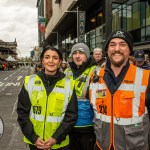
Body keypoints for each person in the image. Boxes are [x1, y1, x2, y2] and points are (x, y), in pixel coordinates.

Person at [89, 29, 150, 150]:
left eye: (122, 44)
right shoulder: (95, 77)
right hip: (102, 146)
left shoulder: (145, 77)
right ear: (107, 50)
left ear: (129, 50)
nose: (117, 49)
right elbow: (94, 110)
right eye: (112, 45)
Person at [17, 45, 78, 150]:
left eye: (55, 58)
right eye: (47, 57)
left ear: (60, 61)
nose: (51, 61)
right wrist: (34, 138)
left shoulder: (69, 84)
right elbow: (22, 113)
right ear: (42, 60)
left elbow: (71, 115)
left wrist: (55, 138)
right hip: (35, 143)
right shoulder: (29, 81)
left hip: (59, 144)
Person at [65, 43, 96, 150]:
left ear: (87, 55)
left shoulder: (95, 71)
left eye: (81, 53)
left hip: (86, 126)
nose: (77, 56)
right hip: (68, 125)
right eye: (75, 53)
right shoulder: (67, 72)